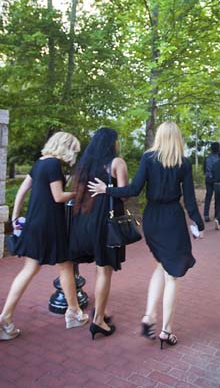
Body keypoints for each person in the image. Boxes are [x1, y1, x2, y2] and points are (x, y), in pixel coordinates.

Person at [88, 121, 204, 349]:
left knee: (162, 264)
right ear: (178, 138)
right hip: (172, 218)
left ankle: (149, 316)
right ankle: (165, 331)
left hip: (152, 219)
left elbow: (133, 190)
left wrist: (106, 189)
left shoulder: (148, 159)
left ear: (159, 137)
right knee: (173, 276)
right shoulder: (184, 163)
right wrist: (198, 224)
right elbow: (189, 200)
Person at [0, 132, 89, 342]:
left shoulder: (39, 163)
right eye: (74, 149)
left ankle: (4, 319)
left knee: (29, 269)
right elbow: (58, 197)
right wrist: (79, 194)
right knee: (66, 267)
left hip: (34, 223)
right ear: (66, 146)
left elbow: (22, 191)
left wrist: (15, 215)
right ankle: (73, 313)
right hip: (50, 225)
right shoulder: (54, 164)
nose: (74, 154)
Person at [68, 128, 128, 340]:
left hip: (85, 220)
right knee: (104, 270)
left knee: (98, 268)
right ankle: (98, 321)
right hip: (106, 222)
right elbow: (125, 194)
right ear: (112, 143)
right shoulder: (116, 163)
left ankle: (101, 310)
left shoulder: (86, 164)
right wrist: (108, 189)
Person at [202, 142, 220, 221]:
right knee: (217, 198)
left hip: (208, 179)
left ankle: (206, 215)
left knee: (208, 197)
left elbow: (204, 168)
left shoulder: (207, 158)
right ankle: (216, 215)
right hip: (216, 180)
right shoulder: (219, 159)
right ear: (218, 149)